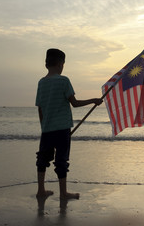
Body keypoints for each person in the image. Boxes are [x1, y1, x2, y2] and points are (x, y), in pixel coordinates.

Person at [35, 48, 103, 200]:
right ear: (60, 64)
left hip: (46, 129)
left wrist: (43, 126)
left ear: (47, 64)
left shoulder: (41, 82)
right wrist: (94, 100)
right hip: (62, 129)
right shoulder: (63, 80)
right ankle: (63, 193)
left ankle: (41, 190)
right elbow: (75, 103)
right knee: (61, 160)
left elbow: (40, 108)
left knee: (42, 159)